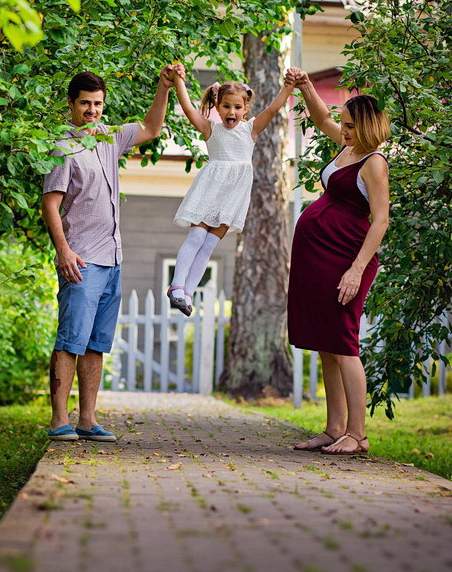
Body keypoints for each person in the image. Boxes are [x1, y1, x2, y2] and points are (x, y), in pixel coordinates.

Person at [42, 67, 175, 441]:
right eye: (85, 103)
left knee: (96, 344)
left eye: (97, 104)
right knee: (70, 340)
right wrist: (63, 250)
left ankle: (87, 419)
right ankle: (58, 421)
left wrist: (163, 87)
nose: (92, 110)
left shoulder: (108, 139)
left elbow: (150, 128)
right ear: (71, 104)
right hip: (80, 259)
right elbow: (50, 205)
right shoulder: (61, 148)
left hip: (113, 258)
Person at [288, 77, 390, 456]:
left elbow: (380, 220)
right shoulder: (348, 147)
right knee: (326, 345)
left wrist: (356, 269)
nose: (342, 130)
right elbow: (320, 119)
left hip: (345, 258)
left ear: (364, 127)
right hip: (319, 255)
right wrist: (305, 88)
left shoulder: (373, 162)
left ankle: (358, 434)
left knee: (345, 343)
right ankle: (334, 428)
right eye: (342, 124)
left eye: (349, 125)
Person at [166, 66, 300, 316]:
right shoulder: (210, 129)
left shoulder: (251, 130)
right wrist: (178, 81)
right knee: (196, 238)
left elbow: (272, 109)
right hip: (210, 190)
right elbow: (187, 109)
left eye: (238, 107)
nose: (232, 112)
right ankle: (176, 286)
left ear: (245, 109)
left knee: (208, 246)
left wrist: (288, 87)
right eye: (226, 106)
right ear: (218, 107)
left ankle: (186, 294)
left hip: (233, 196)